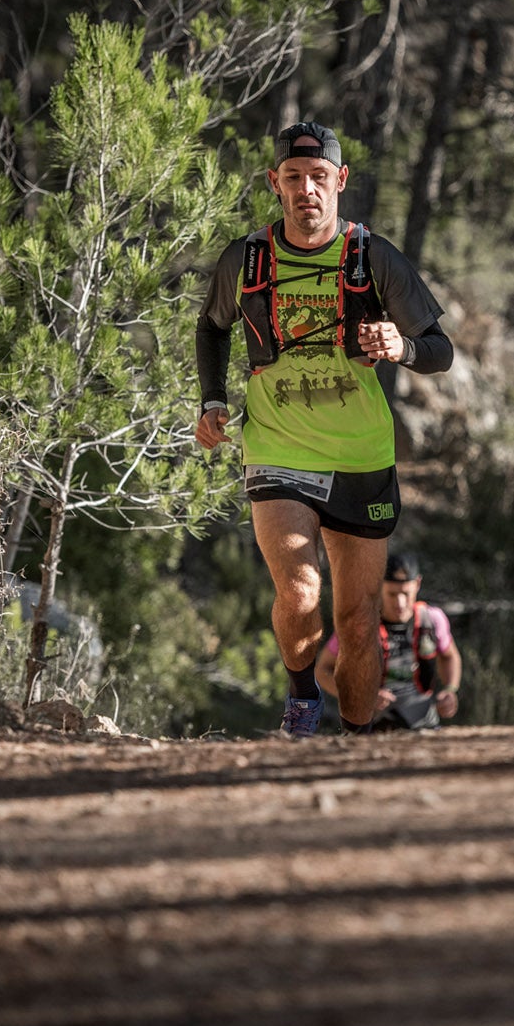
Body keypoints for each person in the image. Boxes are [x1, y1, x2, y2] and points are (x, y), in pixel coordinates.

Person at [195, 121, 453, 738]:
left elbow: (440, 351)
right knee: (302, 589)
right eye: (292, 178)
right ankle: (302, 695)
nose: (306, 189)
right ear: (275, 184)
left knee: (360, 619)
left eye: (317, 177)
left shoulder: (373, 256)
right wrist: (211, 400)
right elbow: (212, 326)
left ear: (339, 181)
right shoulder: (248, 257)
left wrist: (400, 346)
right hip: (277, 443)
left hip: (361, 454)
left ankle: (356, 743)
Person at [316, 554, 461, 730]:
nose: (400, 603)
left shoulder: (432, 619)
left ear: (418, 584)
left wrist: (450, 690)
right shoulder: (360, 626)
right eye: (392, 594)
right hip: (372, 725)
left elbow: (449, 656)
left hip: (424, 723)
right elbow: (322, 670)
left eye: (406, 594)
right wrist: (361, 697)